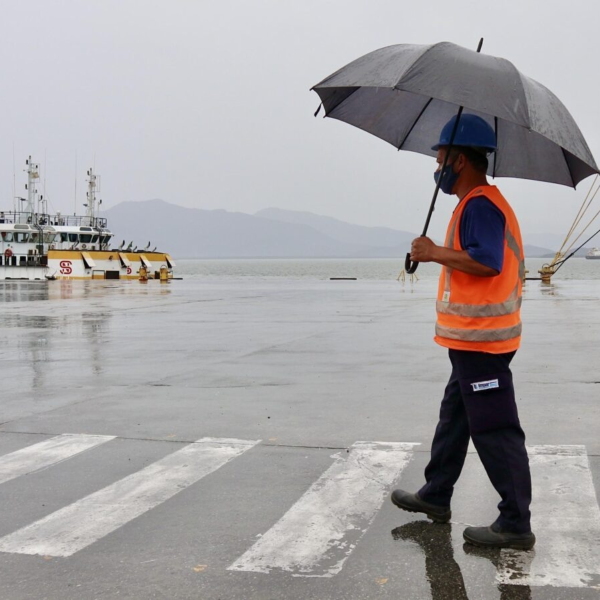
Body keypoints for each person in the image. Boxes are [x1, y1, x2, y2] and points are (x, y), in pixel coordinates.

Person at [391, 114, 535, 550]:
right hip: (470, 340)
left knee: (495, 427)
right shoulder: (472, 203)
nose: (437, 167)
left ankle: (515, 522)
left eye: (440, 158)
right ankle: (436, 494)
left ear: (460, 159)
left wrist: (435, 252)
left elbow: (487, 261)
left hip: (484, 340)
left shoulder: (480, 204)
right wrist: (435, 252)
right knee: (455, 416)